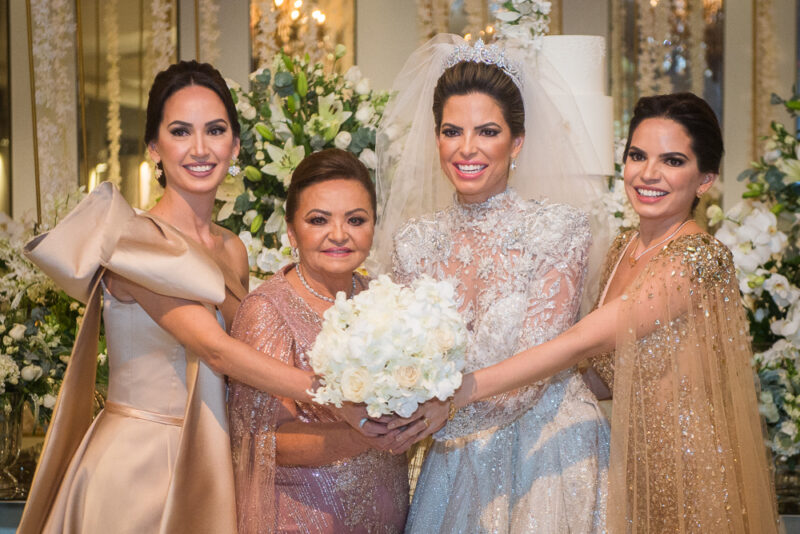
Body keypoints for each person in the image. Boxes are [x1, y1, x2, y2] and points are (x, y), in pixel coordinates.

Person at [419, 93, 781, 532]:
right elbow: (598, 374)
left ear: (704, 180)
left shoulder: (697, 259)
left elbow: (582, 343)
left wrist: (460, 392)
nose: (648, 174)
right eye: (637, 155)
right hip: (629, 463)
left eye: (672, 161)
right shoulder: (624, 247)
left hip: (688, 474)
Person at [17, 61, 327, 534]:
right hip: (138, 465)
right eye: (181, 132)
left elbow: (239, 372)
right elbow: (215, 349)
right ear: (154, 149)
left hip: (212, 460)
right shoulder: (134, 240)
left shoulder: (231, 248)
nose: (200, 149)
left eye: (215, 130)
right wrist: (324, 391)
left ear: (235, 144)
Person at [374, 36, 609, 533]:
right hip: (452, 457)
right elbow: (401, 363)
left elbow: (539, 363)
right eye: (452, 131)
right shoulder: (415, 242)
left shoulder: (559, 230)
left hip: (546, 453)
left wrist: (441, 413)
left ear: (516, 141)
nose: (467, 148)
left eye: (487, 131)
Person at [228, 149, 409, 534]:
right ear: (292, 231)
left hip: (387, 509)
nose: (339, 235)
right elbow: (266, 443)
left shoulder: (384, 300)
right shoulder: (268, 310)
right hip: (306, 516)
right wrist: (368, 434)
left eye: (356, 220)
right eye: (318, 220)